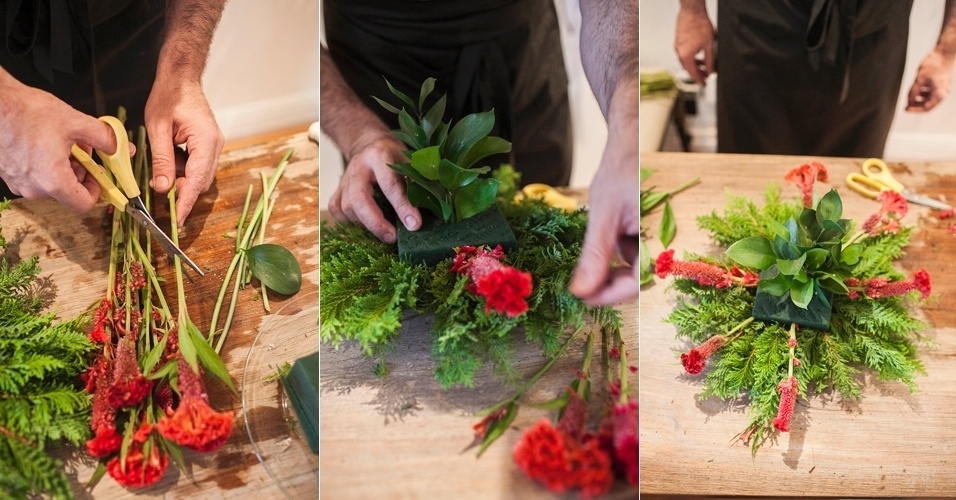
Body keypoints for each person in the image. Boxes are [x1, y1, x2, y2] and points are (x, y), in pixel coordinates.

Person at [321, 0, 638, 306]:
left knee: (544, 206)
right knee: (400, 227)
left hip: (520, 34)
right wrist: (358, 132)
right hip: (379, 56)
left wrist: (628, 124)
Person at [0, 0, 226, 227]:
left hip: (135, 27)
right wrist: (6, 114)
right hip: (12, 54)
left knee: (143, 160)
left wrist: (182, 69)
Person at [675, 0, 956, 157]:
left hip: (871, 31)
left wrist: (947, 50)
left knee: (849, 192)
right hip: (758, 21)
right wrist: (691, 10)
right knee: (747, 184)